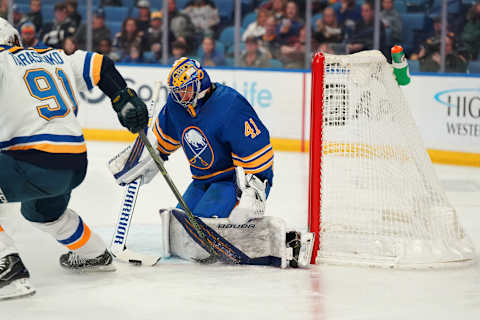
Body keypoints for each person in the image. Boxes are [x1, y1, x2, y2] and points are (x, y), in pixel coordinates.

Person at [108, 57, 314, 268]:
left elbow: (258, 153)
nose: (179, 96)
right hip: (200, 181)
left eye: (184, 90)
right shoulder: (176, 105)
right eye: (176, 91)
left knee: (205, 232)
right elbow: (160, 143)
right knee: (182, 227)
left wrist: (254, 194)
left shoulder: (230, 106)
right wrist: (141, 160)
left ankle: (290, 243)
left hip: (228, 182)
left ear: (200, 85)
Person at [0, 17, 148, 300]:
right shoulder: (53, 56)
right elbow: (100, 65)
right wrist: (123, 97)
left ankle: (6, 267)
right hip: (73, 163)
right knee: (43, 214)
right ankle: (93, 254)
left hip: (32, 161)